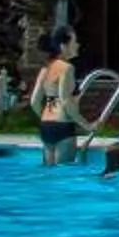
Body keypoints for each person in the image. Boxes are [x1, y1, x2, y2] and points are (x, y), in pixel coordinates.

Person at [29, 28, 83, 166]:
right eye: (74, 42)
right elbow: (65, 101)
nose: (78, 45)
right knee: (63, 173)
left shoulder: (45, 69)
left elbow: (34, 101)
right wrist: (86, 124)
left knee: (49, 172)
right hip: (64, 125)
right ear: (63, 46)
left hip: (46, 125)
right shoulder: (67, 68)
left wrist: (47, 117)